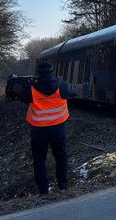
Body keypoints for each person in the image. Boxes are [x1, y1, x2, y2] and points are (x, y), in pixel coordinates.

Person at [20, 62, 77, 194]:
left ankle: (43, 190)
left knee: (39, 160)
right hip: (58, 129)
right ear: (52, 71)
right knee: (61, 156)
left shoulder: (32, 88)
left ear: (38, 73)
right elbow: (74, 91)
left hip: (39, 131)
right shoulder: (61, 86)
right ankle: (63, 185)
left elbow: (22, 97)